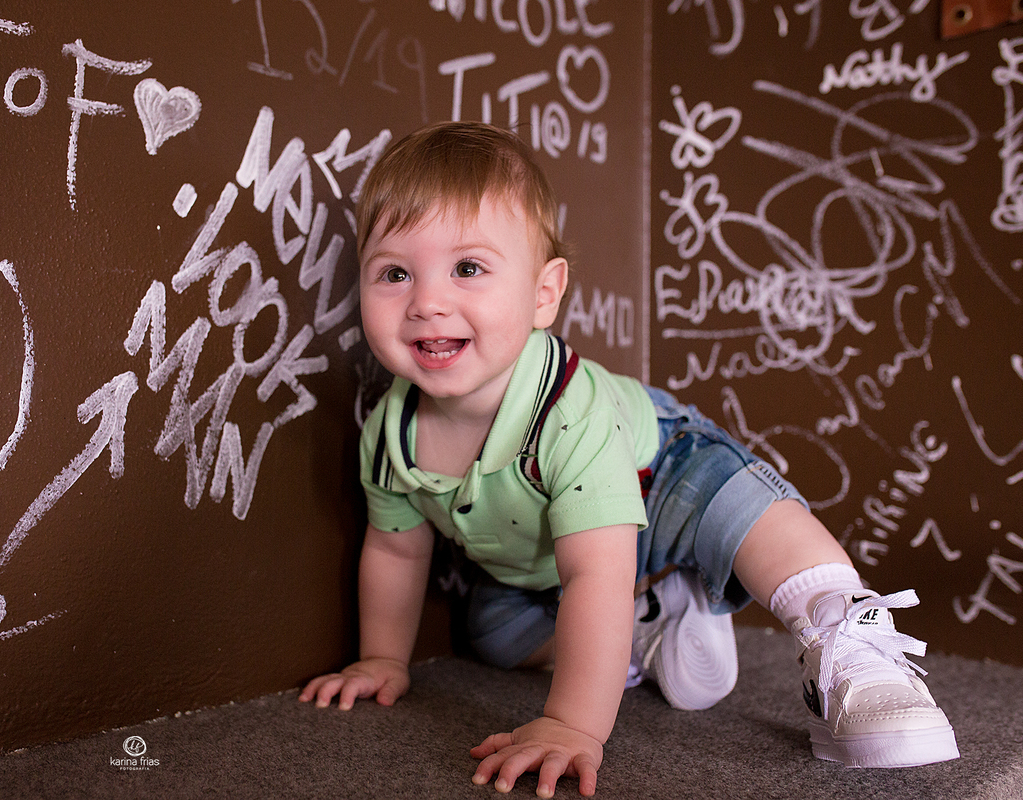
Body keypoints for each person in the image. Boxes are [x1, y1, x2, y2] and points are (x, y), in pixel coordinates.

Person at [299, 121, 959, 797]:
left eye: (468, 268)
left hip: (660, 477)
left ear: (543, 295)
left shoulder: (565, 411)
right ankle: (648, 629)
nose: (428, 302)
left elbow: (596, 573)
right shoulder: (390, 432)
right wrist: (383, 657)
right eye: (395, 273)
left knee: (742, 509)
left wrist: (572, 725)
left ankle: (844, 628)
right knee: (492, 632)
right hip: (552, 565)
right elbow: (397, 551)